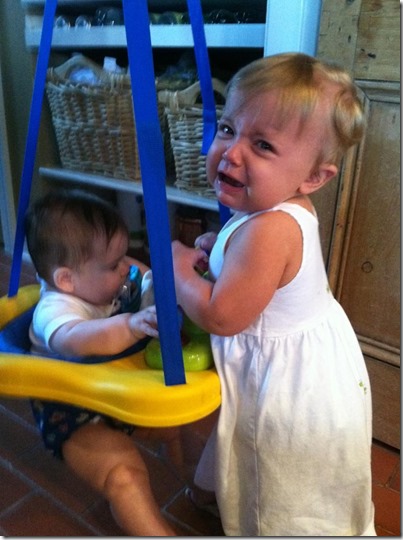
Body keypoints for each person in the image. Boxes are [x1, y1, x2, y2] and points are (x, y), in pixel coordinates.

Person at [172, 53, 376, 536]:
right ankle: (215, 494)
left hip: (287, 391)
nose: (231, 152)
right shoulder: (275, 207)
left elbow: (222, 316)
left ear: (313, 177)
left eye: (262, 144)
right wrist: (220, 249)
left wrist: (178, 268)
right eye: (228, 129)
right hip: (308, 365)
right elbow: (257, 266)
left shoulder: (271, 230)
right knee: (248, 455)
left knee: (278, 485)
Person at [25, 189, 176, 536]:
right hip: (72, 410)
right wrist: (130, 325)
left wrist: (153, 284)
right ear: (66, 279)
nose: (126, 268)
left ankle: (190, 478)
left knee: (172, 420)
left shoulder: (96, 283)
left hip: (110, 389)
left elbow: (139, 273)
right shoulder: (55, 309)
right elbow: (79, 338)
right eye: (113, 264)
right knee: (123, 476)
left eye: (123, 256)